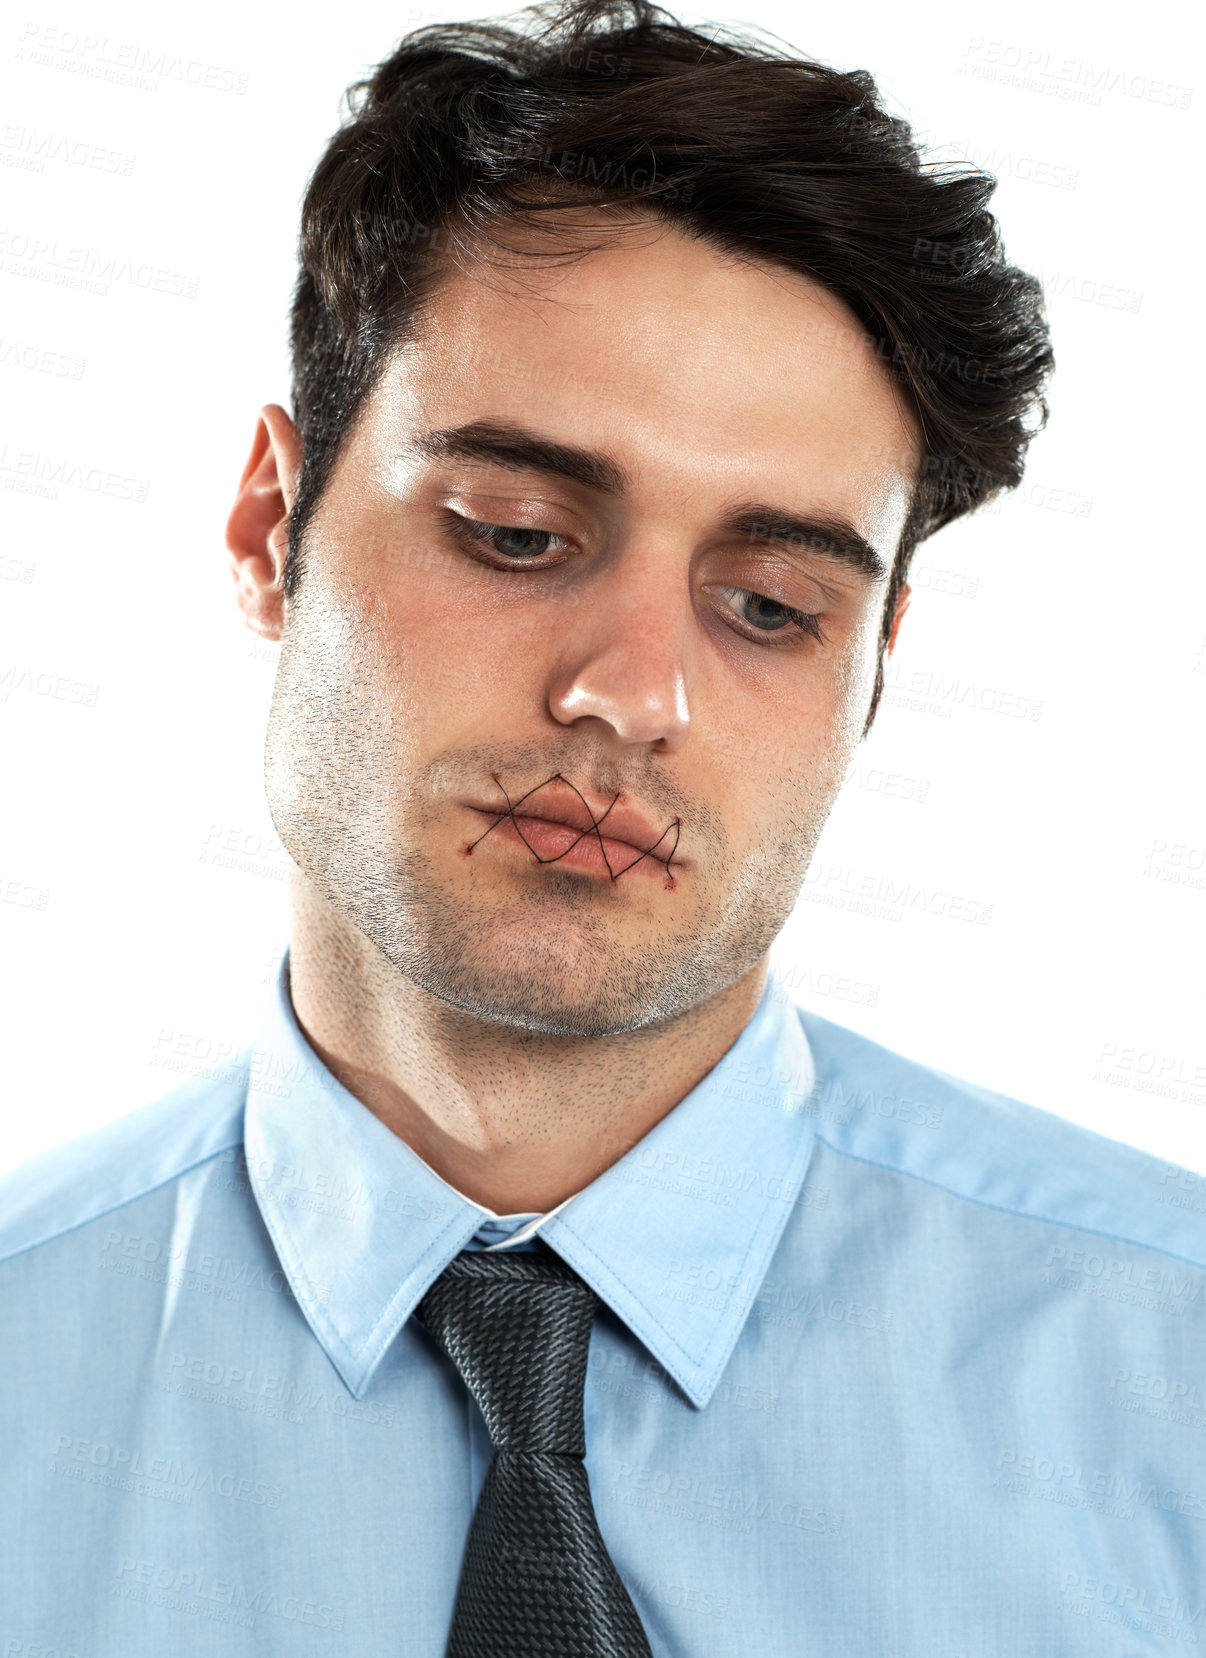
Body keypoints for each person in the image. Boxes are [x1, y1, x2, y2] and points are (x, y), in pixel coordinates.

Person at [3, 0, 1202, 1651]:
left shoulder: (1173, 1373)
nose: (635, 693)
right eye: (512, 533)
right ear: (269, 524)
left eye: (771, 605)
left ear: (874, 670)